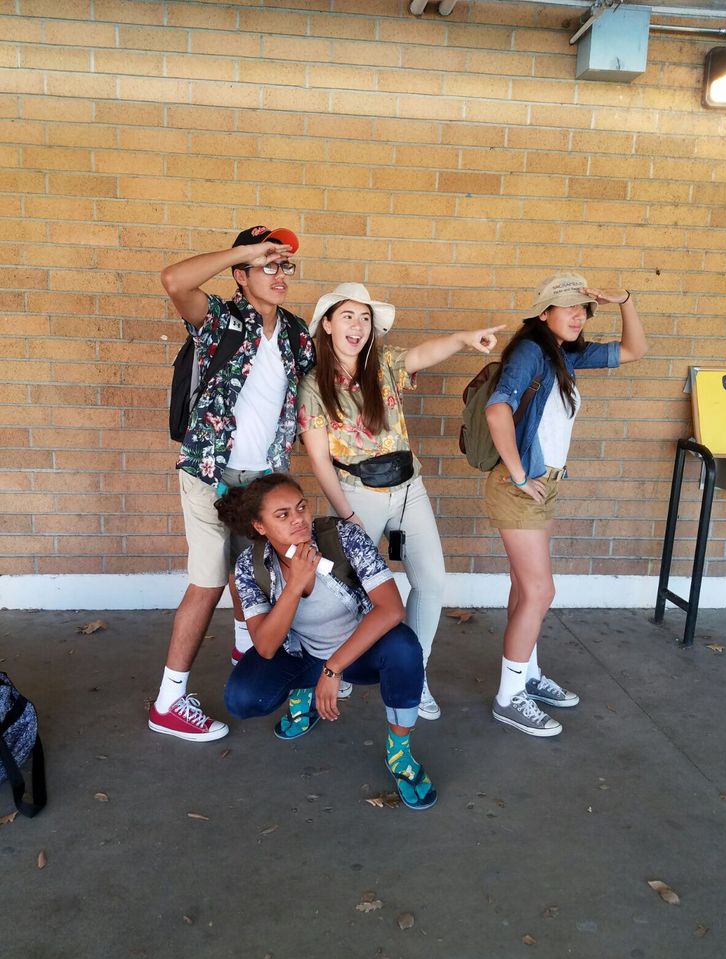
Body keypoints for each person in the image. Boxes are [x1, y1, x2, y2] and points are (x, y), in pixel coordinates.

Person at [297, 283, 502, 721]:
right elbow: (319, 459)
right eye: (348, 316)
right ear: (328, 324)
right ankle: (343, 665)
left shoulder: (383, 365)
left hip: (410, 490)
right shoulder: (314, 384)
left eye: (365, 318)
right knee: (349, 591)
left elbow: (425, 354)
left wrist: (465, 338)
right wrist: (348, 516)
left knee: (430, 581)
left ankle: (416, 675)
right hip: (355, 494)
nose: (358, 325)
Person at [148, 225, 315, 742]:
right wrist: (244, 251)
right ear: (241, 274)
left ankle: (247, 652)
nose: (279, 273)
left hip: (262, 482)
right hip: (210, 476)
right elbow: (174, 279)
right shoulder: (221, 319)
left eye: (284, 264)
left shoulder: (294, 332)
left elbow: (320, 388)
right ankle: (168, 702)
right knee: (208, 582)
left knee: (253, 572)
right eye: (268, 263)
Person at [484, 272, 647, 737]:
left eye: (584, 308)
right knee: (540, 592)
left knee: (524, 587)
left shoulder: (564, 354)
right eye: (569, 306)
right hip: (520, 487)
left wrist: (625, 301)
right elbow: (498, 409)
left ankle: (526, 676)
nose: (579, 314)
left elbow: (634, 351)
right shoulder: (530, 351)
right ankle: (509, 696)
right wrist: (519, 474)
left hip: (543, 485)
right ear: (543, 313)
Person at [216, 474, 437, 810]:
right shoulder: (251, 565)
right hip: (302, 654)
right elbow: (264, 646)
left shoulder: (343, 538)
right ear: (260, 527)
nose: (298, 520)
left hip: (359, 656)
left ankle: (400, 753)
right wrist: (294, 586)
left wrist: (333, 669)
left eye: (301, 507)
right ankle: (304, 691)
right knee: (243, 698)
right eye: (282, 515)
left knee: (404, 647)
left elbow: (391, 609)